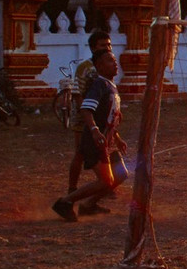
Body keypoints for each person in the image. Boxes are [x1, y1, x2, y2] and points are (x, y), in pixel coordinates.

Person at [51, 49, 129, 221]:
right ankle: (65, 202)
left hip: (107, 140)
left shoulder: (112, 87)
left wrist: (117, 138)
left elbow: (110, 118)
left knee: (121, 174)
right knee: (105, 181)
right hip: (95, 140)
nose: (115, 63)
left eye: (115, 60)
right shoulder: (99, 85)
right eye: (110, 61)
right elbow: (86, 109)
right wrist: (94, 130)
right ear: (99, 66)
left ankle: (88, 205)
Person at [67, 30, 112, 194]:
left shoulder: (108, 65)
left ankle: (104, 185)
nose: (107, 48)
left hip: (101, 117)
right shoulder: (85, 68)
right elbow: (78, 94)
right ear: (93, 48)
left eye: (109, 45)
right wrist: (87, 117)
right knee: (80, 153)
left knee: (103, 150)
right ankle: (72, 189)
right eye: (102, 45)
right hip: (83, 117)